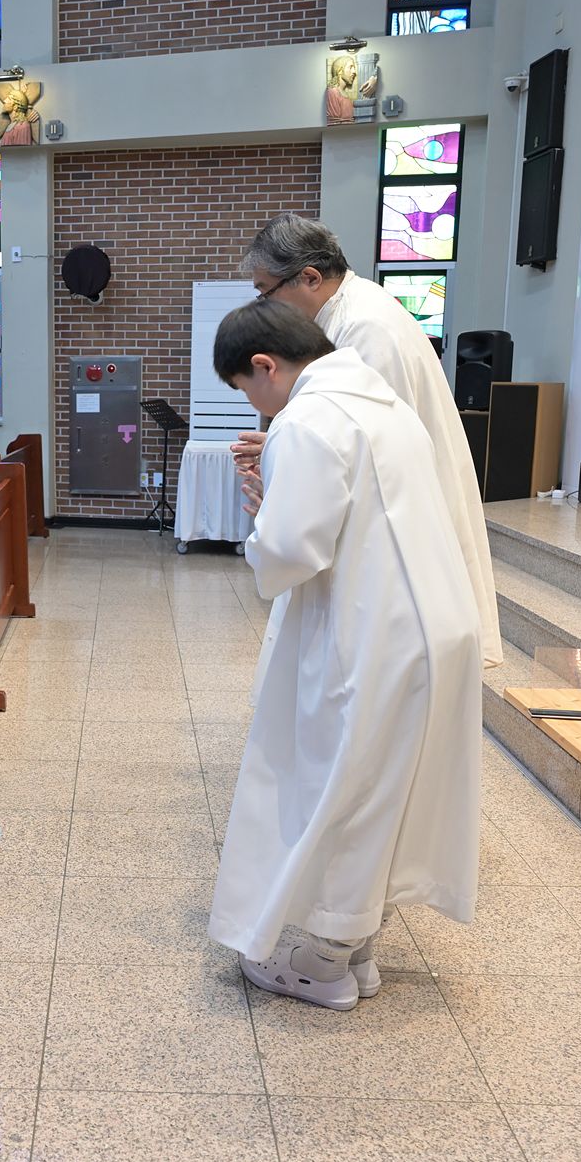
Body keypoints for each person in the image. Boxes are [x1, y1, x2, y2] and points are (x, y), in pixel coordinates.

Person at [205, 300, 481, 1012]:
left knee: (341, 786)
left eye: (246, 389)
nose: (255, 406)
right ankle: (356, 948)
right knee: (387, 790)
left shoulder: (308, 418)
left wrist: (262, 521)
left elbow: (293, 550)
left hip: (371, 633)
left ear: (265, 366)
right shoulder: (384, 403)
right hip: (432, 624)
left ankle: (323, 961)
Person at [241, 213, 503, 668]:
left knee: (372, 673)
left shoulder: (365, 328)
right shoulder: (349, 314)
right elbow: (344, 431)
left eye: (266, 292)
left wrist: (291, 458)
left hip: (392, 542)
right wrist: (281, 449)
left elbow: (372, 447)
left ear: (309, 277)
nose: (265, 308)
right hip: (382, 525)